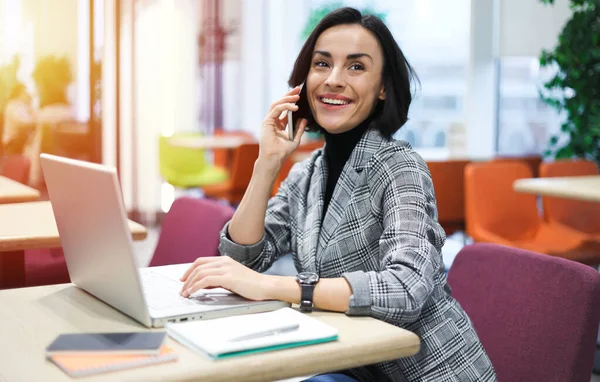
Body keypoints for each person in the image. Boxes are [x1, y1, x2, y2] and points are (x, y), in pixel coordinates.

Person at [180, 7, 497, 382]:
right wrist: (266, 164)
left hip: (429, 371)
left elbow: (406, 289)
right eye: (321, 63)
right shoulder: (307, 174)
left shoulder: (399, 166)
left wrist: (274, 287)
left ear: (383, 88)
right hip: (354, 363)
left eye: (356, 67)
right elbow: (244, 260)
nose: (333, 79)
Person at [2, 82, 35, 155]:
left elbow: (32, 118)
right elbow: (22, 123)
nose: (26, 94)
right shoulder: (13, 105)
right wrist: (35, 123)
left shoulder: (23, 106)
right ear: (19, 93)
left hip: (20, 142)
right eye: (24, 92)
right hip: (13, 142)